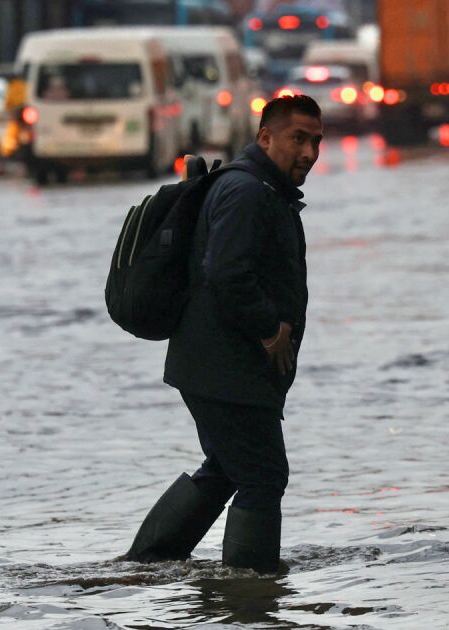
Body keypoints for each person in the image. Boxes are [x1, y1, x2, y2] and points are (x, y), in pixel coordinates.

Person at [123, 95, 323, 574]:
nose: (310, 153)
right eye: (298, 139)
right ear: (265, 137)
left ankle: (150, 563)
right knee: (264, 475)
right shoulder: (247, 192)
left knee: (228, 467)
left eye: (316, 141)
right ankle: (250, 592)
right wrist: (269, 329)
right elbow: (227, 273)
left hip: (218, 367)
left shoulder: (263, 191)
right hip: (224, 368)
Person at [0, 71, 28, 177]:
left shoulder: (12, 87)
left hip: (17, 120)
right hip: (27, 121)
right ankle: (25, 168)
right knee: (25, 144)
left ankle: (1, 167)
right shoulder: (26, 85)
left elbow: (7, 105)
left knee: (7, 145)